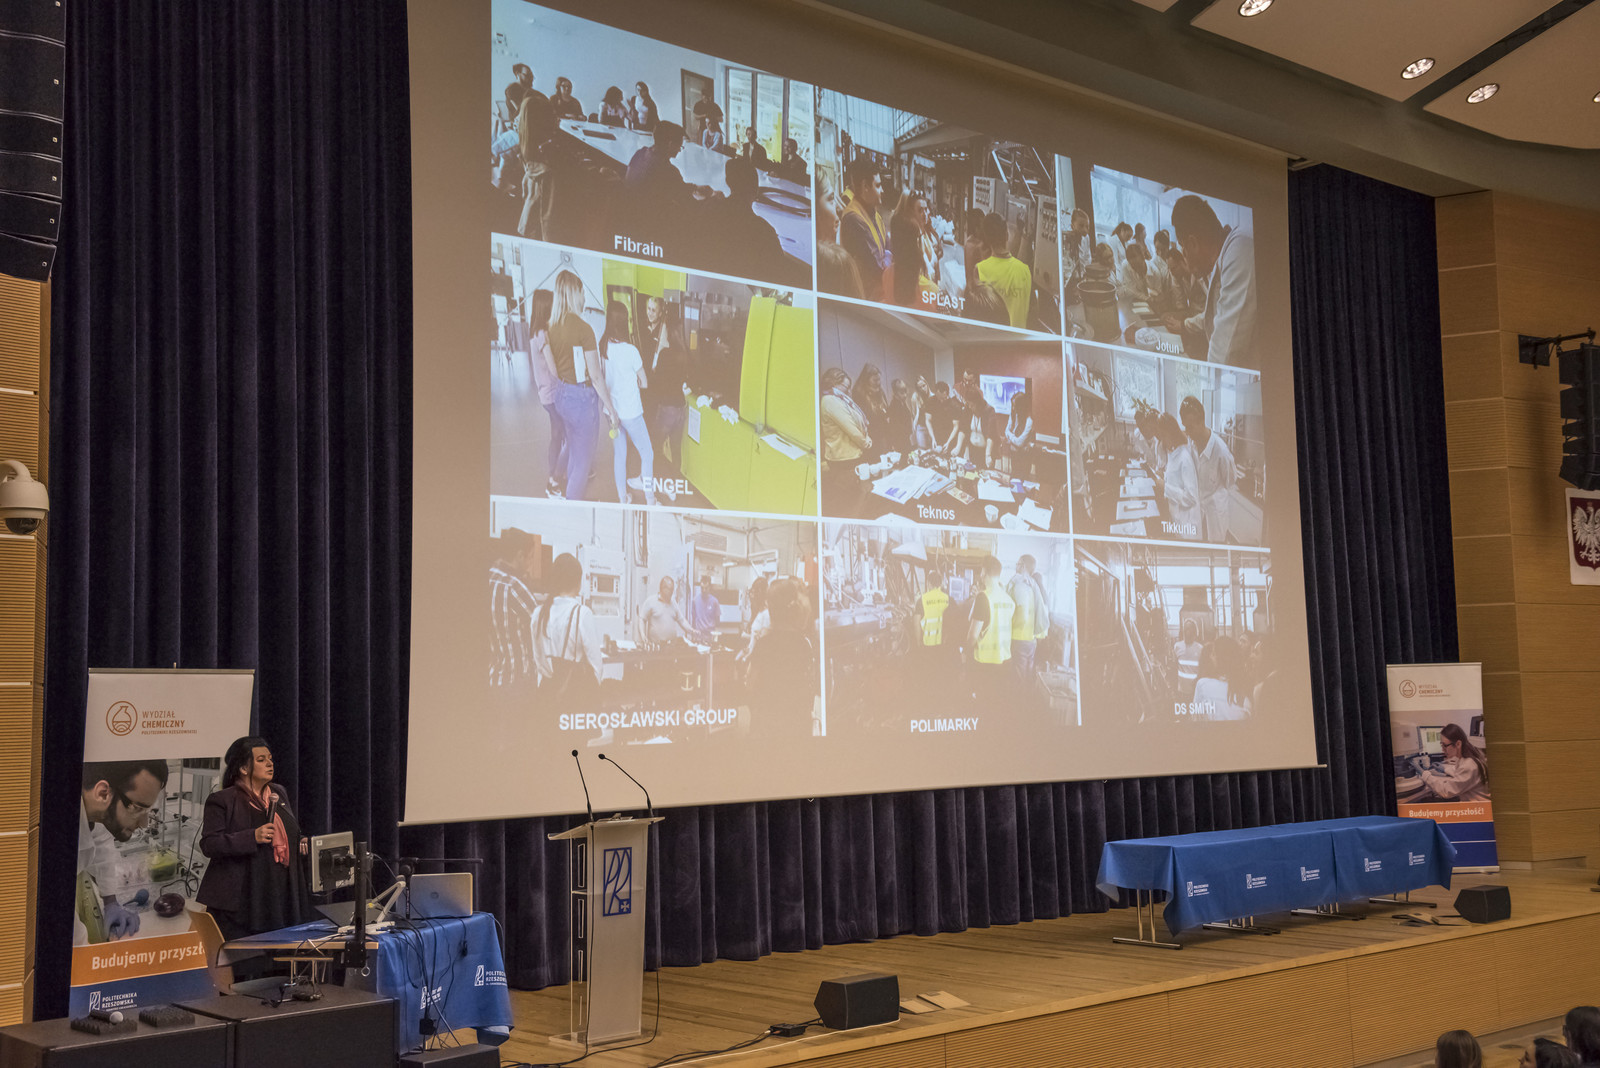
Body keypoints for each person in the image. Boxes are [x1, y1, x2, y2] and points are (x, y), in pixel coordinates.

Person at [197, 737, 313, 944]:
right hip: (244, 901)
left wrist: (300, 840)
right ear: (243, 768)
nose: (270, 763)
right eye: (261, 760)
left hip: (279, 893)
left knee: (281, 955)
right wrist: (252, 837)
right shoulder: (222, 800)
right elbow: (210, 844)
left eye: (270, 758)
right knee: (249, 957)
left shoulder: (278, 793)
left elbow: (290, 831)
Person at [77, 760, 169, 944]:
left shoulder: (94, 815)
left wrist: (110, 902)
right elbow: (73, 939)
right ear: (103, 793)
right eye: (138, 808)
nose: (144, 824)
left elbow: (102, 844)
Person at [548, 271, 617, 500]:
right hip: (581, 402)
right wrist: (611, 409)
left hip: (562, 395)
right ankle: (572, 506)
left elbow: (554, 368)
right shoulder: (583, 329)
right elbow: (595, 376)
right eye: (582, 292)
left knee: (574, 452)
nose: (584, 297)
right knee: (582, 464)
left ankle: (565, 492)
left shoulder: (552, 327)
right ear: (574, 293)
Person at [1168, 193, 1257, 366]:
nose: (1185, 256)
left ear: (1193, 244)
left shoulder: (1240, 248)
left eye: (1183, 249)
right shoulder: (1222, 260)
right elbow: (1214, 315)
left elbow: (1225, 351)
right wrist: (1184, 325)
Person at [701, 156, 798, 285]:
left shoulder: (710, 211)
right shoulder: (763, 231)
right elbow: (779, 276)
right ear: (756, 189)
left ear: (728, 182)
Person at [746, 577, 819, 738]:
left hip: (767, 722)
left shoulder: (764, 644)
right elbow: (809, 684)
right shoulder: (803, 644)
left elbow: (750, 684)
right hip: (795, 722)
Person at [599, 300, 655, 505]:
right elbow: (644, 382)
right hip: (631, 413)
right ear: (625, 323)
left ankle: (623, 498)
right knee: (647, 454)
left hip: (611, 412)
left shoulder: (603, 346)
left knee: (620, 455)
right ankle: (650, 499)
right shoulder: (631, 351)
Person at [532, 553, 602, 700]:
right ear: (578, 582)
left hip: (545, 692)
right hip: (573, 694)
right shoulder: (582, 613)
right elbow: (596, 666)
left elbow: (538, 661)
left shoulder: (538, 613)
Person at [525, 289, 567, 498]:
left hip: (546, 394)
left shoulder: (535, 331)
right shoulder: (542, 334)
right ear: (547, 307)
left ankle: (564, 470)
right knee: (563, 435)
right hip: (551, 394)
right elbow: (553, 367)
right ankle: (553, 481)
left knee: (558, 434)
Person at [1179, 395, 1236, 543]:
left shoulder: (1221, 451)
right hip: (1198, 510)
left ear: (1201, 422)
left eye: (1190, 427)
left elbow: (1230, 481)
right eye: (1185, 426)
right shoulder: (1192, 444)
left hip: (1215, 512)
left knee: (1216, 549)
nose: (1187, 432)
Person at [640, 296, 688, 469]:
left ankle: (654, 478)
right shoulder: (684, 354)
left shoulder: (665, 354)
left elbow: (657, 379)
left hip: (667, 408)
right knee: (676, 449)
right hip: (680, 407)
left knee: (654, 446)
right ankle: (673, 481)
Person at [489, 529, 540, 686]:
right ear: (519, 556)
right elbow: (541, 626)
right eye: (530, 557)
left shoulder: (489, 578)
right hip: (516, 679)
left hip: (494, 676)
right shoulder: (514, 587)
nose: (530, 564)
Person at [838, 157, 889, 302]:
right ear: (865, 186)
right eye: (878, 185)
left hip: (878, 293)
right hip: (866, 299)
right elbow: (876, 267)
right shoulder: (853, 219)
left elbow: (887, 246)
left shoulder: (875, 214)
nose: (882, 190)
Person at [967, 554, 1016, 704]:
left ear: (984, 572)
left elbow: (972, 636)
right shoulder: (1009, 600)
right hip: (1005, 661)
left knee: (982, 704)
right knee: (997, 704)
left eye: (982, 571)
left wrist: (965, 652)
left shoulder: (984, 598)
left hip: (985, 664)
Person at [515, 68, 556, 241]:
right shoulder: (545, 160)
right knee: (545, 210)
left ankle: (525, 232)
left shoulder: (525, 137)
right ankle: (544, 239)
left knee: (531, 199)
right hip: (543, 172)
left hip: (531, 168)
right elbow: (547, 214)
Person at [975, 212, 1032, 329]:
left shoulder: (980, 270)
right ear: (1006, 235)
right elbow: (1011, 261)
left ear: (986, 239)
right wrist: (1022, 233)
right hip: (1021, 339)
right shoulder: (1024, 270)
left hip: (995, 339)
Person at [1412, 721, 1490, 801]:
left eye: (1445, 745)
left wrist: (1423, 773)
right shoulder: (1468, 758)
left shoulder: (1469, 765)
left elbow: (1445, 790)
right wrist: (1444, 769)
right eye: (1441, 745)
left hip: (1474, 807)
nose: (1443, 749)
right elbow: (1461, 773)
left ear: (1458, 744)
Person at [1156, 412, 1201, 541]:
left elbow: (1191, 497)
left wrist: (1165, 487)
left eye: (1163, 436)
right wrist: (1164, 476)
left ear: (1171, 433)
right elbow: (1177, 480)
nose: (1162, 441)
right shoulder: (1173, 452)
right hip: (1178, 519)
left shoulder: (1184, 458)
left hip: (1188, 526)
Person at [1007, 555, 1047, 691]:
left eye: (1017, 563)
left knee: (1019, 679)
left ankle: (1018, 702)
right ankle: (1024, 700)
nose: (1016, 566)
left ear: (1023, 566)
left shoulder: (1021, 585)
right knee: (1026, 676)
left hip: (1019, 638)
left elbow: (1023, 614)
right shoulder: (1033, 586)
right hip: (1030, 639)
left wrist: (1012, 629)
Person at [889, 191, 935, 307]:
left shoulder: (925, 232)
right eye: (920, 210)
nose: (925, 214)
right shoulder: (913, 232)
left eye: (926, 209)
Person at [821, 366, 871, 471]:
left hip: (849, 456)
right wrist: (865, 443)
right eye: (846, 387)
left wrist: (867, 437)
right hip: (844, 459)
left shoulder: (839, 399)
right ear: (834, 384)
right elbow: (852, 430)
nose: (849, 391)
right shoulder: (830, 400)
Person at [637, 575, 699, 645]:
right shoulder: (651, 601)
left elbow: (682, 620)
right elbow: (642, 619)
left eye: (672, 589)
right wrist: (643, 635)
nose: (672, 592)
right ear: (662, 588)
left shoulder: (674, 603)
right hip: (656, 646)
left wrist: (691, 630)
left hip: (671, 646)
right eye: (670, 589)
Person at [852, 363, 891, 462]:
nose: (878, 383)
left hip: (882, 432)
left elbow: (886, 410)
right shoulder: (859, 393)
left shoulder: (880, 391)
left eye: (879, 380)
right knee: (874, 461)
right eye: (875, 380)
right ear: (866, 380)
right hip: (869, 435)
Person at [1003, 390, 1034, 476]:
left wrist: (1010, 437)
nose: (1013, 408)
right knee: (1013, 477)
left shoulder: (1029, 421)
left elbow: (1019, 442)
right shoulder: (1013, 415)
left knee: (1022, 478)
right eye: (1012, 405)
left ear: (1021, 407)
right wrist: (1013, 437)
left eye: (1015, 406)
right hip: (1013, 454)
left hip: (1024, 458)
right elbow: (1006, 431)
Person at [1173, 618, 1202, 698]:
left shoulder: (1200, 649)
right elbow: (1174, 668)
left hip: (1195, 692)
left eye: (1190, 629)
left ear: (1195, 632)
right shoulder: (1177, 646)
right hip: (1181, 692)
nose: (1187, 632)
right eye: (1186, 629)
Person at [888, 379, 917, 455]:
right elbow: (895, 426)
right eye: (902, 393)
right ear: (895, 393)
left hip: (905, 438)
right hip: (899, 440)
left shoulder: (902, 403)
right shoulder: (894, 405)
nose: (905, 395)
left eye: (905, 392)